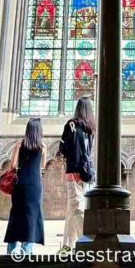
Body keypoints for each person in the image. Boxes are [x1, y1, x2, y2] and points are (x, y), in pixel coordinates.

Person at [58, 97, 95, 253]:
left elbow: (63, 148)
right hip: (87, 173)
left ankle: (86, 245)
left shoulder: (71, 124)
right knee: (72, 209)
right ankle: (68, 245)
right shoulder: (91, 128)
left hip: (73, 171)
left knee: (77, 209)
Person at [4, 117, 46, 256]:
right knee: (31, 215)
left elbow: (13, 165)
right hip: (34, 184)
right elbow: (42, 166)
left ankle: (11, 248)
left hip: (20, 183)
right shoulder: (42, 147)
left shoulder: (19, 144)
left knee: (16, 213)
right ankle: (27, 249)